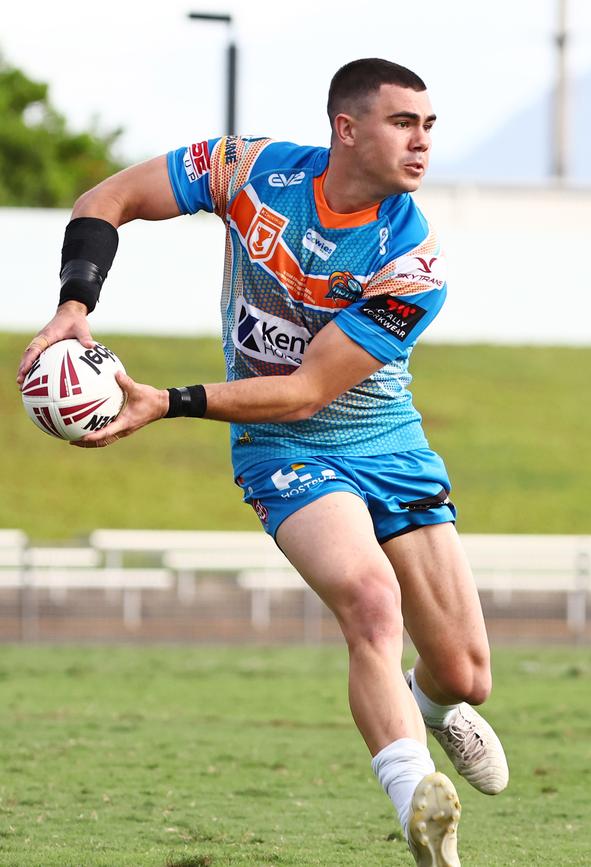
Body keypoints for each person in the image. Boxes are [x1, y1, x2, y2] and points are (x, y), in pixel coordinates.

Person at [18, 58, 508, 867]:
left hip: (382, 440)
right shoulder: (248, 170)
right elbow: (106, 200)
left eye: (429, 127)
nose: (422, 143)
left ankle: (425, 702)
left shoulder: (412, 262)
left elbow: (309, 387)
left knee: (465, 673)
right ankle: (421, 804)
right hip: (284, 449)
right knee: (370, 599)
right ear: (346, 129)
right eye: (403, 123)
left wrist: (164, 401)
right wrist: (76, 304)